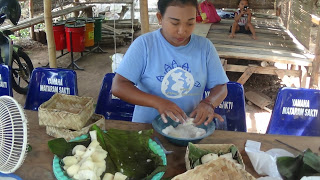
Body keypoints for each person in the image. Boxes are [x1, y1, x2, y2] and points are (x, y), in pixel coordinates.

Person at [112, 0, 229, 126]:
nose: (182, 31)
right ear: (160, 18)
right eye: (174, 23)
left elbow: (221, 87)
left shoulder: (205, 47)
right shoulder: (144, 45)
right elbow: (119, 86)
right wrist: (159, 103)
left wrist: (208, 103)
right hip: (147, 128)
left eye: (190, 23)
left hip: (188, 129)